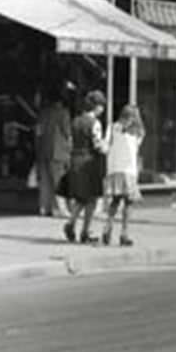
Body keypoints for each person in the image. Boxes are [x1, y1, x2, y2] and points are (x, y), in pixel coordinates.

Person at [64, 91, 107, 244]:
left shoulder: (75, 121)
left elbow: (69, 142)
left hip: (75, 159)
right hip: (89, 163)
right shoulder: (95, 123)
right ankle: (85, 231)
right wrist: (107, 147)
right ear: (96, 106)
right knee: (92, 199)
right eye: (101, 106)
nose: (102, 109)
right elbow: (97, 145)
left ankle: (71, 223)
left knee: (81, 198)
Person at [102, 104, 144, 247]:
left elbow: (106, 146)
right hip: (128, 169)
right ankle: (124, 234)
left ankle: (108, 227)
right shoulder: (137, 132)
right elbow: (137, 147)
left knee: (115, 200)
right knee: (128, 203)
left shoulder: (112, 128)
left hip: (115, 168)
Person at [34, 83, 73, 217]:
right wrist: (70, 150)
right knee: (58, 181)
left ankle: (44, 208)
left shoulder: (42, 113)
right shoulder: (63, 113)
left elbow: (38, 132)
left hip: (43, 150)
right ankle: (58, 209)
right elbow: (67, 133)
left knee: (45, 181)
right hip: (58, 151)